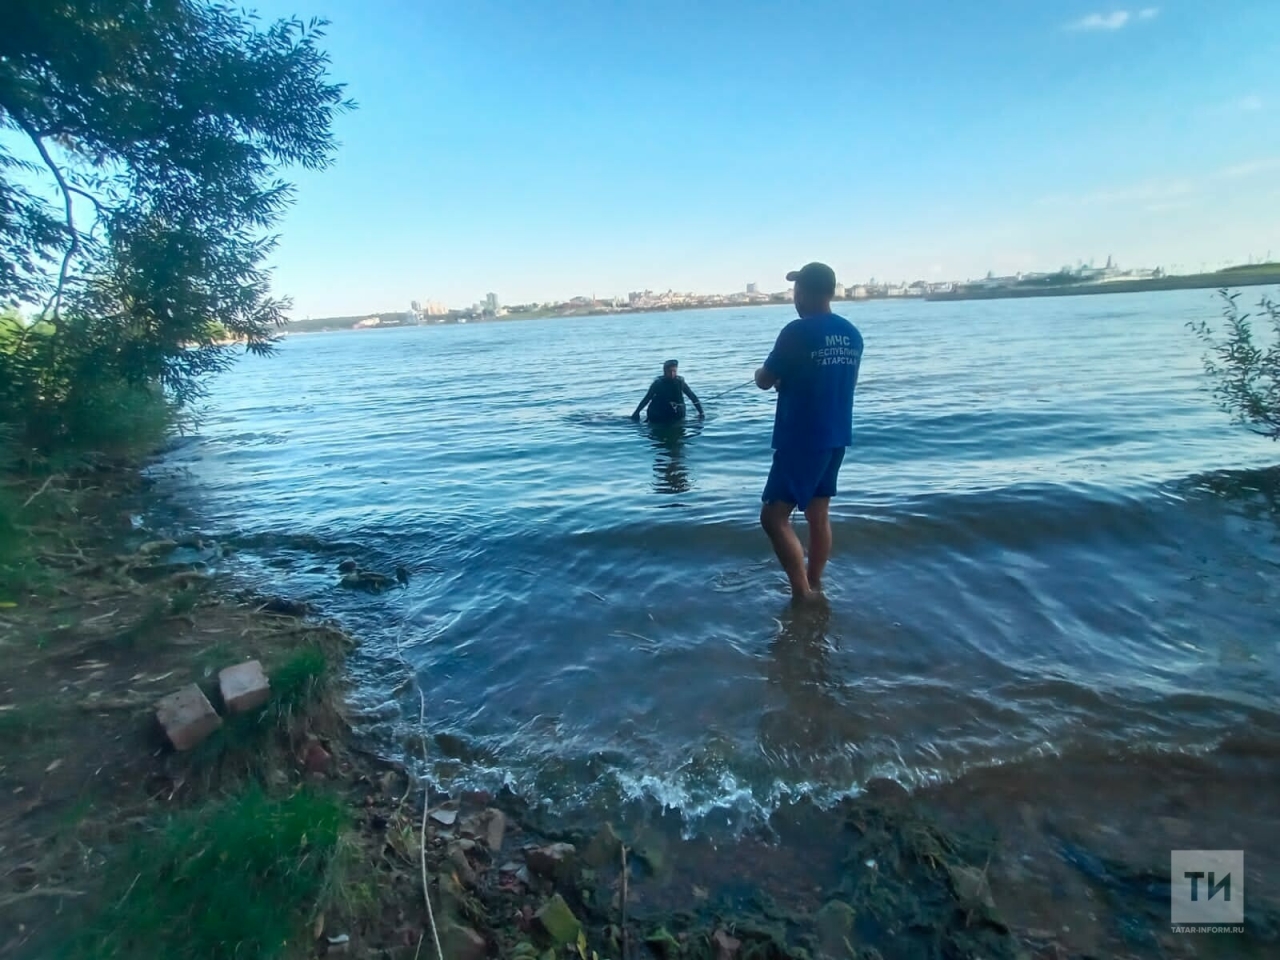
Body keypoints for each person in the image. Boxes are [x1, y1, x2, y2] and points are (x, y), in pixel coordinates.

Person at [754, 262, 863, 603]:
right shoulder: (852, 334)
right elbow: (828, 380)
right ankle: (815, 583)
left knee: (773, 517)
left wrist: (766, 373)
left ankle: (802, 593)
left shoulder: (797, 332)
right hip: (836, 436)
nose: (794, 297)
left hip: (802, 438)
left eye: (796, 289)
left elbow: (764, 380)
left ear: (803, 292)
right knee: (818, 515)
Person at [630, 359, 704, 423]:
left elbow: (692, 397)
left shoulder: (680, 382)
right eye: (669, 371)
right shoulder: (658, 383)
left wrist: (701, 412)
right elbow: (647, 398)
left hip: (676, 412)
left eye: (674, 371)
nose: (672, 374)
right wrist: (637, 412)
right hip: (659, 412)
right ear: (665, 371)